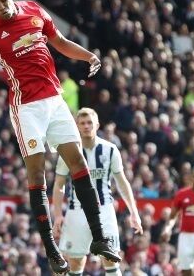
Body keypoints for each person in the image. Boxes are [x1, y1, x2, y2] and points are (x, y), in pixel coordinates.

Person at [0, 0, 120, 274]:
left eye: (3, 0)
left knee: (78, 163)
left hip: (55, 102)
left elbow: (59, 42)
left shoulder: (34, 11)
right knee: (37, 174)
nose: (0, 7)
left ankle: (100, 238)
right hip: (26, 109)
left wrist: (88, 55)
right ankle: (52, 250)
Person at [52, 108, 143, 276]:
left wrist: (134, 212)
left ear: (97, 125)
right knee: (75, 261)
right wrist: (58, 214)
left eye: (90, 123)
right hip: (77, 210)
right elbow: (59, 184)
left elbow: (122, 181)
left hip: (104, 209)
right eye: (82, 123)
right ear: (77, 126)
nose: (86, 126)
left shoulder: (109, 149)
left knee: (110, 257)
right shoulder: (69, 151)